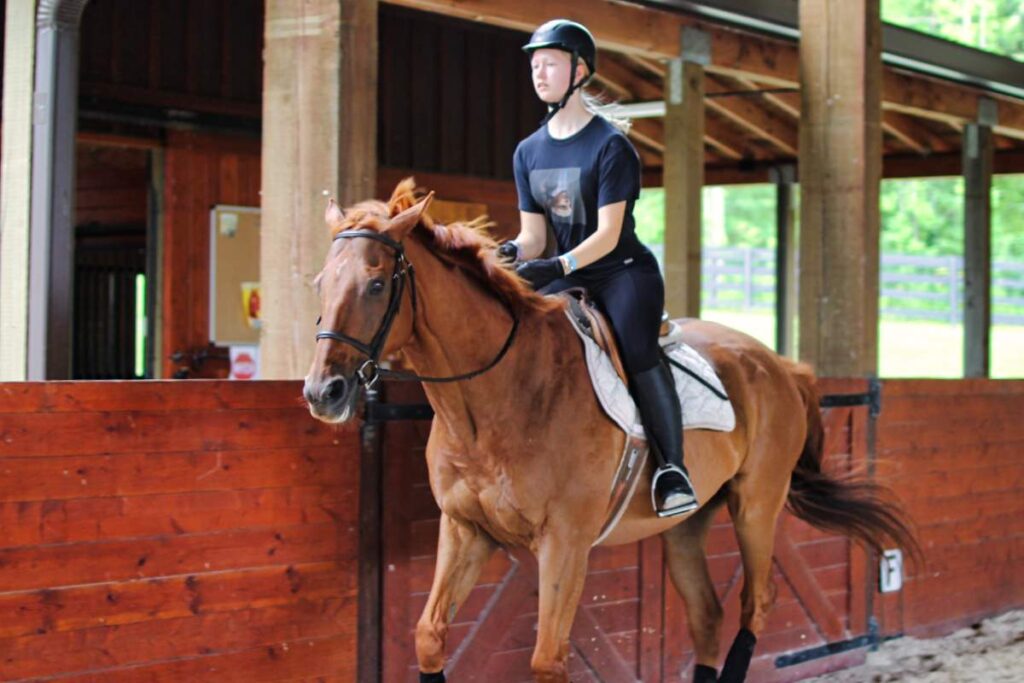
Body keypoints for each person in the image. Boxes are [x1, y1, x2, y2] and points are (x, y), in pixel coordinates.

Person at [500, 19, 698, 517]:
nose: (538, 73)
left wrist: (554, 265)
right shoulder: (527, 150)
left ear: (579, 70)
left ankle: (673, 470)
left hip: (621, 272)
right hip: (562, 269)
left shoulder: (611, 147)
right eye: (533, 65)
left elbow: (608, 235)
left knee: (636, 349)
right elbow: (534, 237)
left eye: (549, 63)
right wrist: (509, 252)